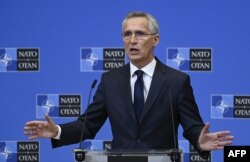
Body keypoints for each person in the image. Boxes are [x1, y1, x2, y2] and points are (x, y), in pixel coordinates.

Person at [24, 11, 233, 159]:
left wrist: (200, 141)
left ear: (156, 40)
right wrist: (57, 131)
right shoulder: (110, 80)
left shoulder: (176, 81)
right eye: (127, 34)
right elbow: (87, 126)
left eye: (140, 34)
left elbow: (192, 126)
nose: (132, 40)